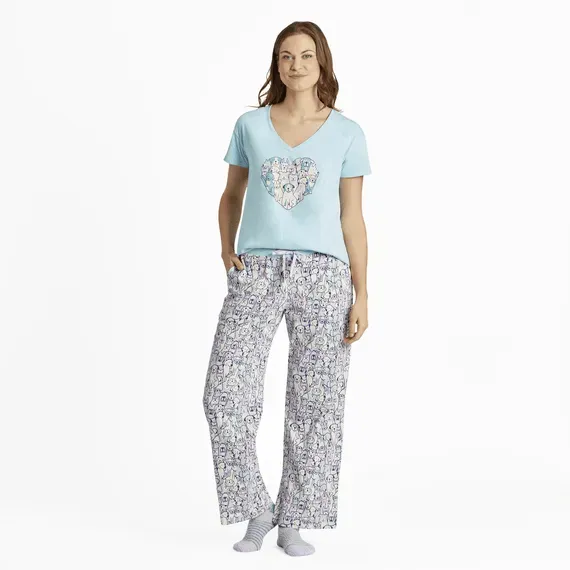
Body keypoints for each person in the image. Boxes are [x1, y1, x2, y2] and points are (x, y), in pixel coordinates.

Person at [202, 21, 371, 556]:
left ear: (322, 62)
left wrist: (362, 293)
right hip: (256, 269)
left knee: (316, 404)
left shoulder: (347, 133)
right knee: (224, 394)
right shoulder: (250, 125)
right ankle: (258, 508)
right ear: (276, 64)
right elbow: (232, 194)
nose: (295, 65)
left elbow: (352, 217)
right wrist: (227, 249)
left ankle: (295, 519)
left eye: (305, 55)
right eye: (285, 56)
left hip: (325, 276)